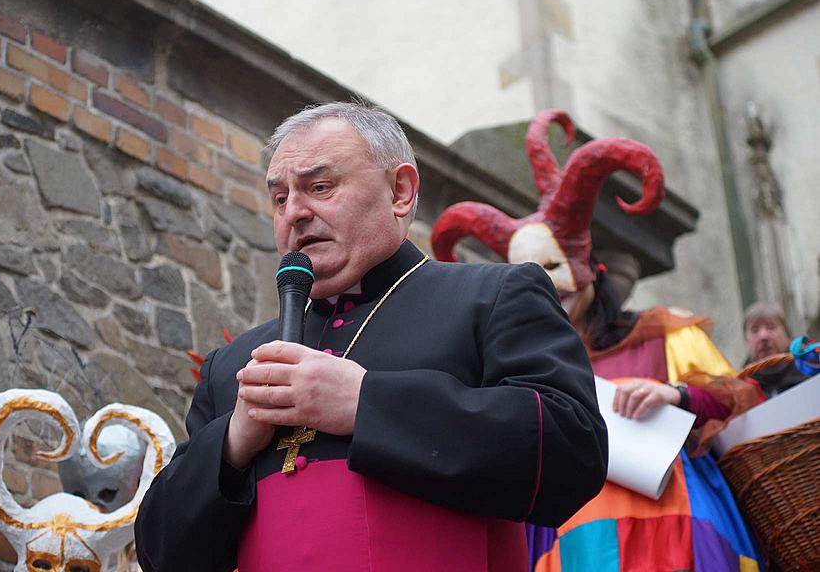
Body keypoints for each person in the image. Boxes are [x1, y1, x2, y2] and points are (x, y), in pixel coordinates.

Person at [134, 102, 609, 571]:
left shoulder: (492, 297)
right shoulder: (232, 366)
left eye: (319, 187)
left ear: (400, 191)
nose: (294, 213)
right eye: (280, 199)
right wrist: (233, 443)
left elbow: (572, 451)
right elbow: (161, 554)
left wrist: (364, 403)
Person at [432, 109, 766, 571]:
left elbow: (744, 397)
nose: (549, 291)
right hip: (569, 539)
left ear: (590, 270)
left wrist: (675, 393)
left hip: (672, 525)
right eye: (527, 279)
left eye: (554, 270)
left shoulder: (664, 333)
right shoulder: (518, 369)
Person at [742, 302, 806, 397]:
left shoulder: (813, 374)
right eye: (755, 330)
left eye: (771, 327)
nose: (763, 336)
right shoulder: (738, 393)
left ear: (788, 336)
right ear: (746, 342)